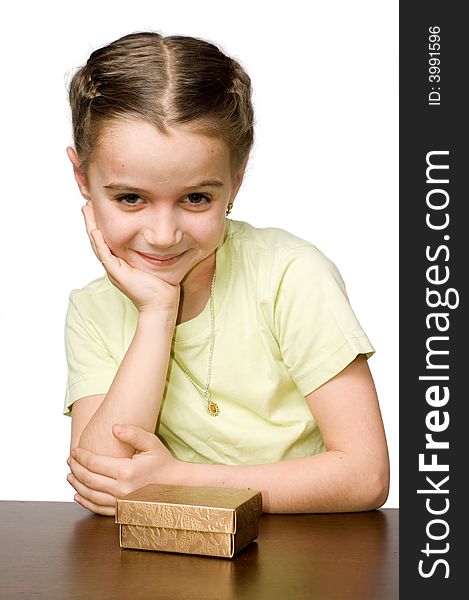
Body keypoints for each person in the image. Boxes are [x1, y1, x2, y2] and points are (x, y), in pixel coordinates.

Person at [64, 30, 389, 516]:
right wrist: (156, 312)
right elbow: (104, 482)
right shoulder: (92, 308)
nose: (163, 233)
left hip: (309, 562)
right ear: (83, 179)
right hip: (174, 570)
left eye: (196, 198)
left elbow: (365, 475)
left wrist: (183, 482)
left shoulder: (290, 276)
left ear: (236, 180)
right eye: (130, 198)